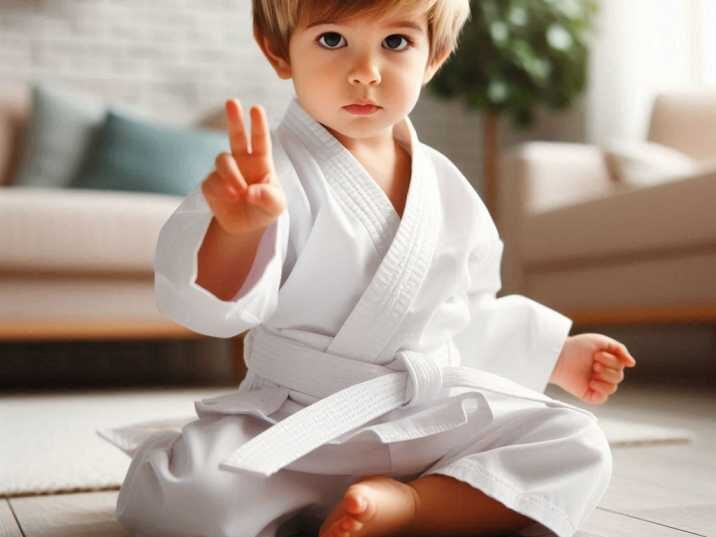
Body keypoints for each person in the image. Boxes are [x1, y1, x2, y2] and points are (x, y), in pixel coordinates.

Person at [99, 2, 637, 537]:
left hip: (424, 417)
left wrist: (551, 355)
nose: (366, 72)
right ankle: (388, 498)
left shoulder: (447, 187)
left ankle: (410, 506)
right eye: (332, 40)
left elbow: (462, 315)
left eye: (396, 43)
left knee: (576, 443)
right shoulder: (269, 174)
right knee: (194, 497)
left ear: (436, 57)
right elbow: (209, 306)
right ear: (278, 49)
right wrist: (237, 231)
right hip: (296, 425)